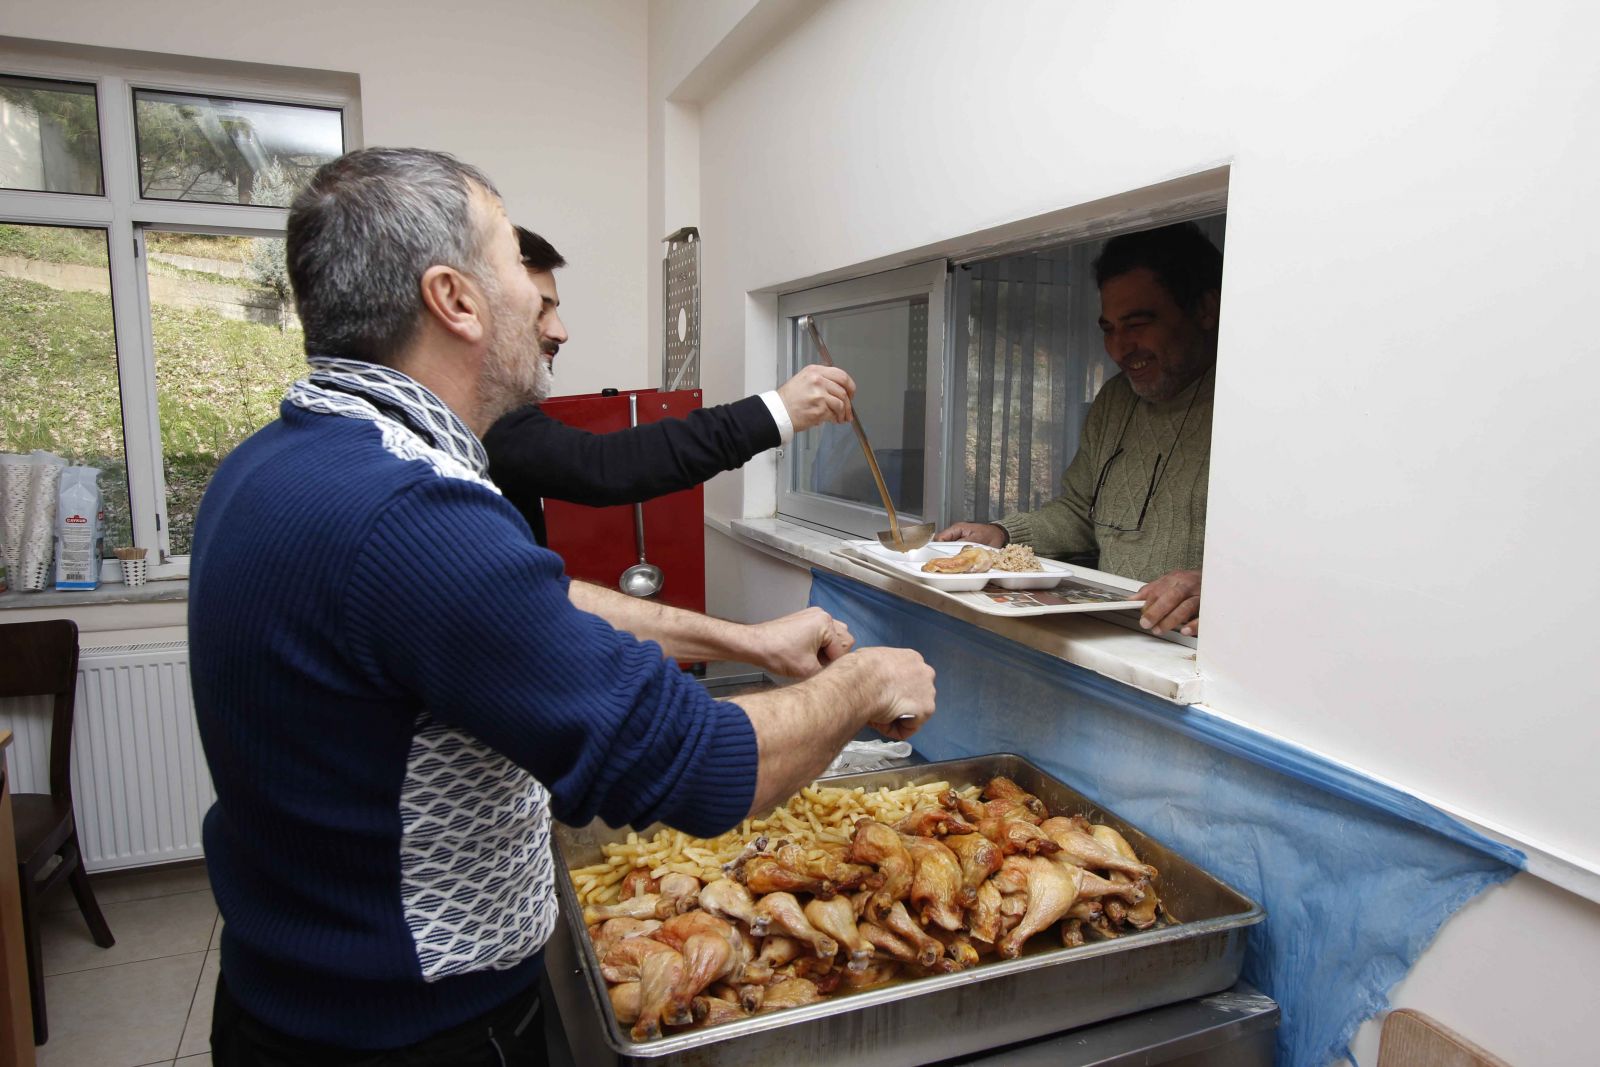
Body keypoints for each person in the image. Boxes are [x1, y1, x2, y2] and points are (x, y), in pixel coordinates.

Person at [188, 147, 936, 1066]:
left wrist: (743, 637)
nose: (551, 319)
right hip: (411, 1037)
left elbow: (531, 599)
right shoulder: (410, 514)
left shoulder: (275, 461)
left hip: (283, 1001)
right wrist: (864, 681)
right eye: (518, 270)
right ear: (455, 299)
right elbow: (697, 768)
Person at [936, 222, 1222, 637]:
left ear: (1204, 310)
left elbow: (1300, 561)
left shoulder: (1250, 410)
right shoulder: (1116, 399)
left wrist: (1217, 584)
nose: (1120, 349)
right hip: (1113, 637)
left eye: (1138, 323)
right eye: (1109, 329)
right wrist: (1001, 534)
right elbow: (1079, 513)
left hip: (1201, 661)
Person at [483, 227, 855, 545]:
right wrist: (779, 410)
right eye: (538, 310)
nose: (560, 332)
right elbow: (606, 465)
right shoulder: (481, 421)